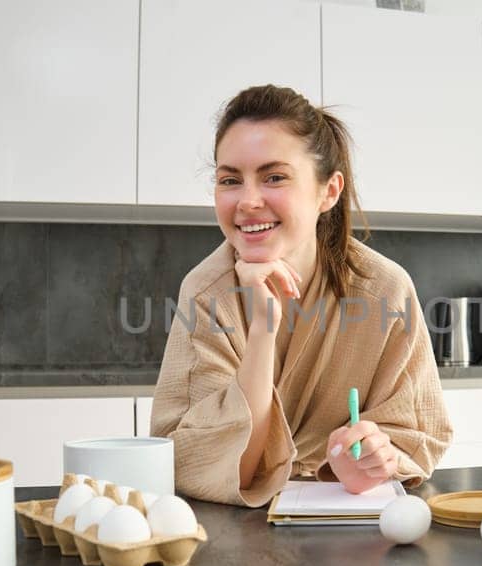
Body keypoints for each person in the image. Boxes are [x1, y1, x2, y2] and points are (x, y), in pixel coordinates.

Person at [150, 84, 452, 507]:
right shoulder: (205, 291)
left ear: (329, 191)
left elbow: (414, 432)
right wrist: (261, 335)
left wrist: (367, 460)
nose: (248, 201)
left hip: (349, 530)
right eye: (230, 180)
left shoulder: (385, 288)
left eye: (274, 177)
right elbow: (210, 463)